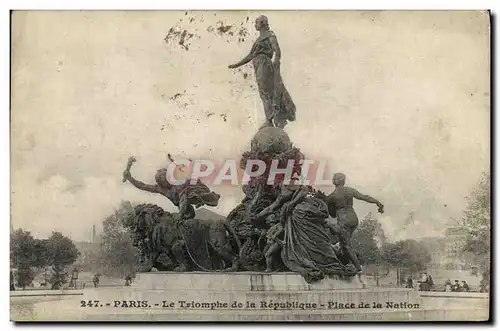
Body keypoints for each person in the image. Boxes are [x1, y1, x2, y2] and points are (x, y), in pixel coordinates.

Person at [229, 15, 296, 129]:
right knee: (264, 93)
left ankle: (269, 120)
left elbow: (277, 50)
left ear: (263, 23)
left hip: (264, 64)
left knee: (265, 93)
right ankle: (269, 119)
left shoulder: (269, 35)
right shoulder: (259, 39)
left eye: (256, 23)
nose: (255, 25)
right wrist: (236, 65)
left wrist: (276, 60)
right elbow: (250, 55)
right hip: (258, 64)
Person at [320, 173, 384, 274]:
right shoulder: (349, 190)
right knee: (343, 244)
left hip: (343, 220)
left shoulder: (331, 196)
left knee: (345, 245)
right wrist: (377, 203)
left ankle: (358, 269)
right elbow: (364, 197)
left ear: (334, 182)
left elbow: (332, 215)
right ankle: (348, 262)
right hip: (353, 218)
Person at [123, 156, 221, 222]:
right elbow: (143, 186)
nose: (163, 179)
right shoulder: (161, 189)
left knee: (186, 194)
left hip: (191, 193)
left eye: (164, 176)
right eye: (160, 178)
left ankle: (207, 197)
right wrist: (130, 178)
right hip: (186, 209)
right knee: (187, 217)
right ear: (159, 182)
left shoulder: (176, 182)